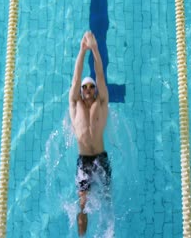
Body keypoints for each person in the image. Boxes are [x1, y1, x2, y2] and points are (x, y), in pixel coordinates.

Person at [69, 31, 111, 236]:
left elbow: (100, 74)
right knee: (82, 203)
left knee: (107, 196)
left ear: (95, 89)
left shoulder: (101, 103)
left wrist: (94, 49)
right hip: (84, 160)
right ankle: (82, 236)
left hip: (101, 158)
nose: (87, 88)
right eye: (84, 86)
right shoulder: (75, 104)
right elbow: (76, 77)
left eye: (90, 86)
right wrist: (81, 50)